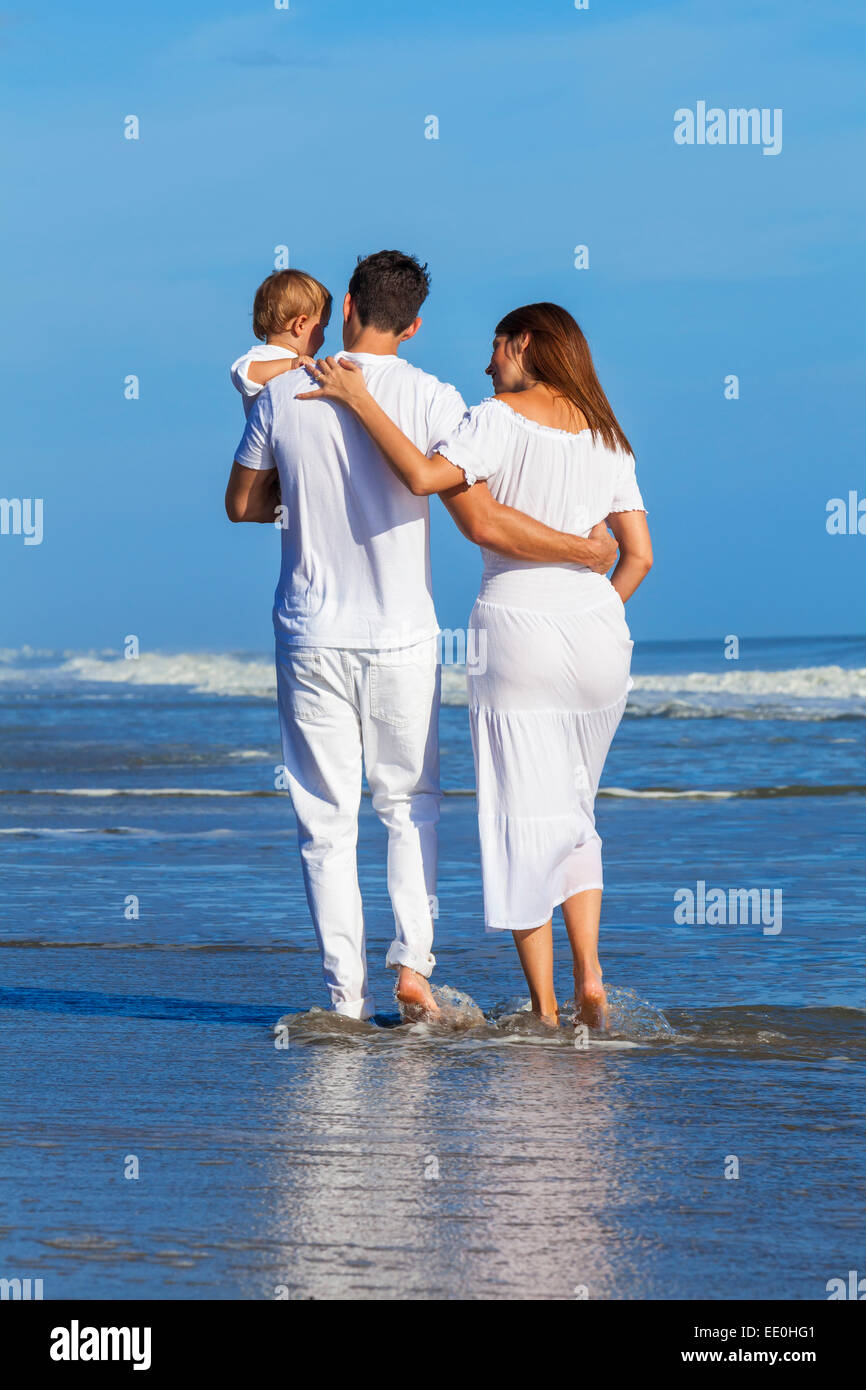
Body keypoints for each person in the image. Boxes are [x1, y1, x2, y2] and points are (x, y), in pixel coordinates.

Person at [225, 256, 619, 1024]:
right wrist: (580, 549)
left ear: (345, 305)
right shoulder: (438, 399)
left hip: (311, 632)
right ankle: (413, 970)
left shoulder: (281, 391)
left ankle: (344, 1000)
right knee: (411, 809)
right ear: (413, 325)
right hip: (404, 635)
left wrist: (297, 484)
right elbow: (478, 514)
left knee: (325, 823)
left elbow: (241, 503)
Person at [230, 269, 332, 417]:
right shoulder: (265, 355)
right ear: (300, 325)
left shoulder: (298, 360)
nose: (323, 337)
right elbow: (245, 374)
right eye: (323, 327)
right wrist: (290, 364)